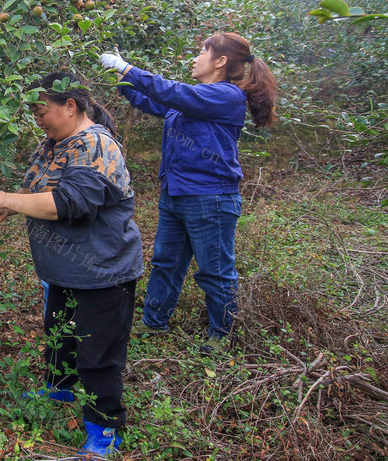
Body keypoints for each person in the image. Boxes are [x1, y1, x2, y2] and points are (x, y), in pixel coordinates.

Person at [0, 71, 143, 459]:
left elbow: (70, 203)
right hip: (65, 270)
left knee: (98, 353)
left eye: (41, 110)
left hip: (102, 273)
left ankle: (105, 428)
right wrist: (7, 207)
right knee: (61, 335)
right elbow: (39, 193)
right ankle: (60, 387)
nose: (37, 118)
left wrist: (6, 198)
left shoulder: (96, 145)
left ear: (71, 106)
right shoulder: (55, 142)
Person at [100, 32, 277, 354]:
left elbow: (175, 93)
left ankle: (221, 333)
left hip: (210, 197)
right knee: (167, 262)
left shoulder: (227, 96)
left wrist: (129, 69)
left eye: (202, 52)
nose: (195, 58)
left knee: (215, 269)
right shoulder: (197, 98)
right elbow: (153, 100)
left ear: (220, 61)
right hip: (176, 194)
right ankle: (154, 321)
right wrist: (120, 78)